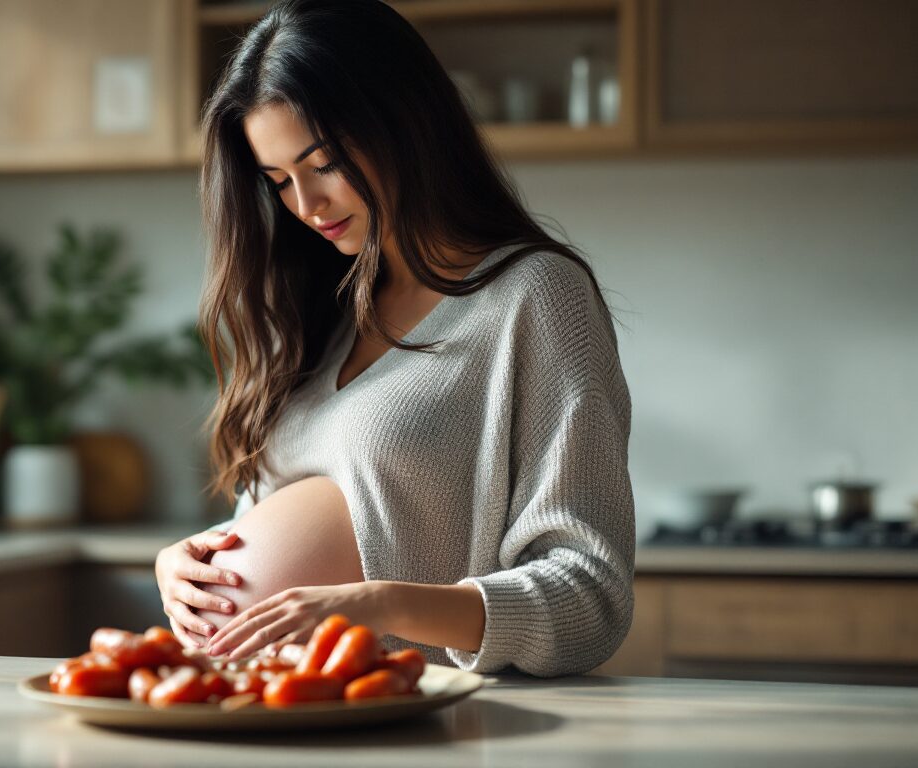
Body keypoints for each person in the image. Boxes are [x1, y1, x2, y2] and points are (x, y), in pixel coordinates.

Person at [154, 0, 634, 677]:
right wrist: (186, 563)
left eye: (322, 164)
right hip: (252, 713)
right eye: (279, 182)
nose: (306, 206)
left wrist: (380, 605)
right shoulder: (321, 308)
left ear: (404, 122)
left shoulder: (535, 297)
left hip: (415, 728)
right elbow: (278, 524)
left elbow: (590, 599)